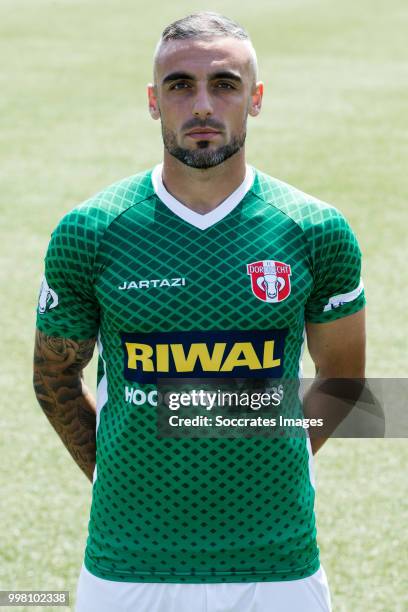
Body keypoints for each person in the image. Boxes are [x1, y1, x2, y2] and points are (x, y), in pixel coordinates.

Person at [33, 11, 366, 612]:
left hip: (277, 562)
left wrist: (272, 449)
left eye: (225, 84)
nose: (203, 105)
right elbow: (54, 375)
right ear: (154, 102)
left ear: (255, 99)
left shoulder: (316, 230)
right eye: (181, 85)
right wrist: (119, 481)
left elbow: (343, 379)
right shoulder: (91, 231)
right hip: (127, 561)